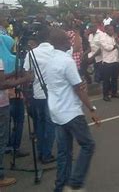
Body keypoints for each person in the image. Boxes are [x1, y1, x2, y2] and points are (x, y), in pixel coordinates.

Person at [45, 28, 100, 192]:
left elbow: (70, 83)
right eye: (67, 39)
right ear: (63, 42)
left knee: (64, 152)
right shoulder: (66, 61)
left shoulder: (51, 59)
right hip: (71, 112)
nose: (70, 41)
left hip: (56, 111)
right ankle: (75, 184)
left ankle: (60, 186)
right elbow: (79, 89)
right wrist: (92, 109)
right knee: (88, 145)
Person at [23, 26, 57, 164]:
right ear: (49, 38)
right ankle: (46, 154)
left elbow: (27, 74)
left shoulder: (31, 53)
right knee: (50, 125)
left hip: (37, 94)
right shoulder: (55, 51)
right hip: (52, 94)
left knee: (39, 124)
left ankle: (40, 151)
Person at [0, 57, 32, 188]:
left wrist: (13, 74)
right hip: (1, 106)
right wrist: (23, 79)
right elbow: (1, 84)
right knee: (1, 139)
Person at [99, 25, 119, 101]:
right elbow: (107, 48)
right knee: (106, 80)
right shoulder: (102, 37)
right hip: (107, 62)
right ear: (106, 30)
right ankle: (105, 95)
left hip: (116, 60)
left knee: (115, 79)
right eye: (110, 30)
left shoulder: (113, 37)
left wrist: (117, 40)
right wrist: (116, 46)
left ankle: (114, 93)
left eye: (113, 29)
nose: (112, 31)